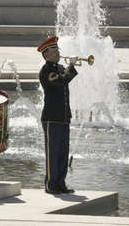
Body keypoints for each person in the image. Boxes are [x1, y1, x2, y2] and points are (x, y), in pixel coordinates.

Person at [38, 36, 78, 194]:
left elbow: (65, 78)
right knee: (52, 152)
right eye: (54, 51)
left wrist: (69, 67)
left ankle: (61, 183)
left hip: (63, 116)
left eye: (57, 50)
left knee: (63, 152)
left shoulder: (60, 68)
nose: (57, 53)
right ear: (46, 54)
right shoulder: (47, 70)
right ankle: (50, 184)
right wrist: (72, 66)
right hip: (51, 117)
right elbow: (61, 81)